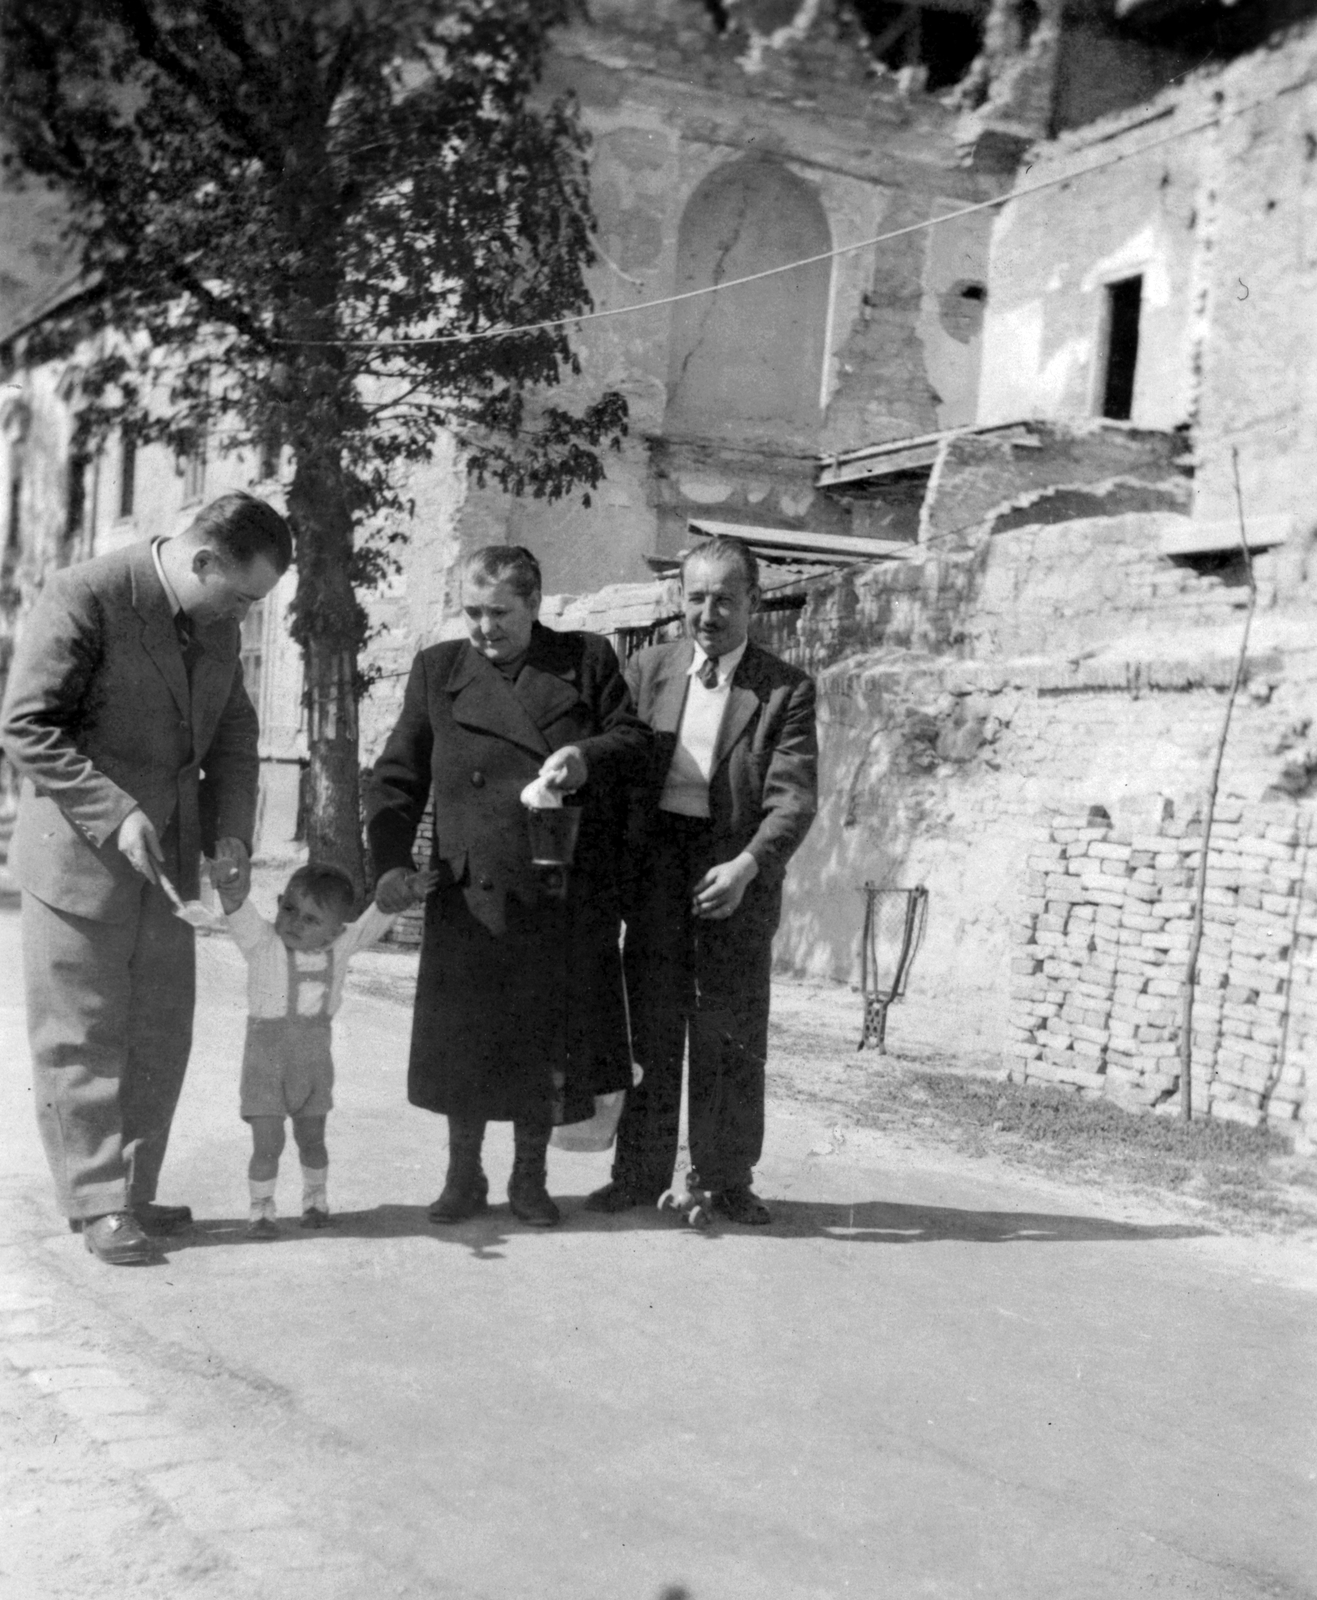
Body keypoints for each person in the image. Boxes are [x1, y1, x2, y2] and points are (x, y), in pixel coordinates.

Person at [1, 492, 291, 1264]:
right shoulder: (88, 594)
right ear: (201, 560)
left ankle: (132, 1189)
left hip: (170, 862)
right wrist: (114, 809)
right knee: (83, 1034)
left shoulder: (218, 622)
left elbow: (234, 735)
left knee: (159, 1032)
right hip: (80, 854)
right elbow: (26, 722)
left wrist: (230, 833)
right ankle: (96, 1202)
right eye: (239, 595)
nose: (242, 615)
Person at [366, 545, 650, 1228]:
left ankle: (530, 1179)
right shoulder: (439, 669)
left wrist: (583, 758)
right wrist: (388, 863)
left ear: (534, 605)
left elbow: (635, 742)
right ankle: (463, 1176)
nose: (483, 627)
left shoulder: (584, 659)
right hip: (469, 891)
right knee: (467, 1041)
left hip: (553, 887)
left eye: (499, 613)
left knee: (539, 1041)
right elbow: (396, 777)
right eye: (472, 611)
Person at [587, 535, 818, 1225]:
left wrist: (747, 865)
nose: (708, 613)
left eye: (725, 598)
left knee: (729, 1031)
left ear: (752, 602)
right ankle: (638, 1173)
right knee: (650, 1026)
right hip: (658, 869)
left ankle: (725, 1178)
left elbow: (793, 799)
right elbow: (618, 767)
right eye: (695, 597)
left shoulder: (785, 690)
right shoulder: (646, 670)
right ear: (677, 600)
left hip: (735, 872)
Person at [217, 860, 434, 1238]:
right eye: (289, 909)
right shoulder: (263, 944)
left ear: (336, 931)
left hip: (315, 1066)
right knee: (268, 1143)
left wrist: (407, 891)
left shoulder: (341, 947)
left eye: (312, 920)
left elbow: (376, 915)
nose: (295, 923)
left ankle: (315, 1200)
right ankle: (261, 1211)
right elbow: (239, 910)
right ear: (279, 901)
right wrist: (229, 888)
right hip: (265, 1067)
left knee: (312, 1140)